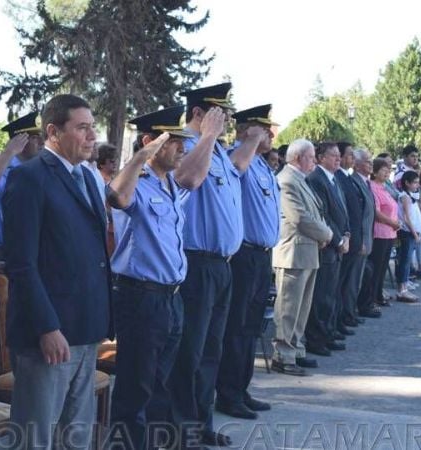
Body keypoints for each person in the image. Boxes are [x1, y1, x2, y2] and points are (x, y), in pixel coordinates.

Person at [3, 94, 110, 450]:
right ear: (53, 131)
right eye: (82, 127)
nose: (91, 135)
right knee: (37, 437)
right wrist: (47, 327)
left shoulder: (86, 177)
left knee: (75, 437)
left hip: (84, 328)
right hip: (48, 336)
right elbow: (21, 263)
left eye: (92, 127)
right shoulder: (28, 178)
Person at [106, 106, 208, 450]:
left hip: (170, 297)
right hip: (140, 298)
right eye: (174, 141)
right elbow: (116, 196)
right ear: (151, 142)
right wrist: (142, 156)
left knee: (161, 385)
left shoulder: (170, 185)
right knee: (136, 388)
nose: (182, 148)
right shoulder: (137, 182)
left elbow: (195, 176)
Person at [168, 82, 256, 447]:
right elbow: (186, 179)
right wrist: (206, 136)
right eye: (221, 115)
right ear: (200, 115)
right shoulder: (187, 145)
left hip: (223, 265)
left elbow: (238, 166)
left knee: (211, 350)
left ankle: (200, 423)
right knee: (190, 351)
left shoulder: (217, 150)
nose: (227, 122)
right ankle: (178, 431)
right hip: (196, 262)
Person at [216, 105, 279, 421]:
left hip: (262, 255)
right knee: (237, 327)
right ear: (246, 130)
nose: (270, 134)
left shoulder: (263, 166)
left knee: (252, 327)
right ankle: (228, 393)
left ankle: (241, 388)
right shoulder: (236, 157)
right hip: (243, 255)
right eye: (263, 128)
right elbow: (232, 171)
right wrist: (249, 142)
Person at [271, 139, 333, 376]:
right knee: (288, 308)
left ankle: (295, 349)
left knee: (301, 308)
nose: (314, 161)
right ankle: (283, 355)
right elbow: (300, 217)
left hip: (306, 251)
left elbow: (316, 212)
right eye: (310, 157)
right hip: (292, 253)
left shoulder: (300, 179)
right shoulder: (287, 180)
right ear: (297, 158)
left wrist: (325, 233)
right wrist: (327, 233)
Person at [303, 142, 350, 357]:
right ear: (320, 157)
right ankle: (317, 338)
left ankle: (328, 333)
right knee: (321, 296)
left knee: (331, 294)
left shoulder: (334, 179)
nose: (338, 159)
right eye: (333, 156)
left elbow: (342, 211)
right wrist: (338, 240)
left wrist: (347, 234)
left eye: (339, 156)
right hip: (327, 246)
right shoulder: (316, 179)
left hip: (338, 244)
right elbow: (323, 215)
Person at [0, 112, 41, 257]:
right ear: (20, 141)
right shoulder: (5, 170)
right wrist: (9, 151)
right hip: (11, 250)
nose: (41, 142)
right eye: (35, 138)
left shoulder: (41, 168)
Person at [335, 147, 374, 329]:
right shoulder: (343, 179)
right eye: (348, 154)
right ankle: (343, 317)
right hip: (347, 240)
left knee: (353, 281)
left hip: (357, 238)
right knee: (346, 283)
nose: (350, 158)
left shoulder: (348, 179)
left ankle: (347, 314)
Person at [366, 158, 400, 313]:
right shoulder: (372, 187)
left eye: (388, 171)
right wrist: (392, 223)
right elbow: (377, 212)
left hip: (390, 233)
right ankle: (371, 298)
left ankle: (379, 294)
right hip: (380, 232)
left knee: (383, 267)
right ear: (375, 171)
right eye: (384, 170)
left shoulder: (384, 187)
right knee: (376, 267)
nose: (387, 173)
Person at [395, 171, 421, 303]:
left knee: (406, 260)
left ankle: (405, 287)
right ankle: (401, 289)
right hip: (407, 233)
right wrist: (414, 233)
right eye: (415, 182)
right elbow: (406, 218)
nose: (417, 185)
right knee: (405, 261)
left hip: (412, 232)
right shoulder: (404, 196)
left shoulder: (411, 195)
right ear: (407, 183)